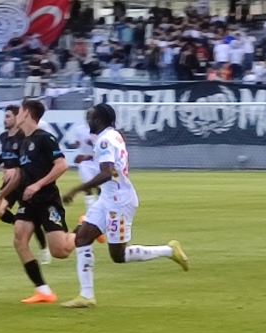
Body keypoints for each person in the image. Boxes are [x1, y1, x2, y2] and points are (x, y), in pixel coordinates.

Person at [60, 103, 189, 308]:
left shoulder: (104, 140)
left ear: (99, 120)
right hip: (108, 198)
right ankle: (86, 296)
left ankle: (169, 250)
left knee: (118, 255)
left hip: (119, 202)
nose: (88, 120)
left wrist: (76, 189)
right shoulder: (114, 135)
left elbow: (106, 173)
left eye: (91, 117)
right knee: (83, 238)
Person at [6, 98, 76, 304]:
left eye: (18, 112)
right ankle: (43, 290)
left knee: (60, 251)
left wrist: (38, 185)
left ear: (26, 113)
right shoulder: (22, 142)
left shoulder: (45, 138)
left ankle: (86, 227)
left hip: (47, 201)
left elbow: (62, 165)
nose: (16, 115)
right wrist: (3, 199)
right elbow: (20, 175)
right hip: (28, 202)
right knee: (19, 238)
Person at [0, 105, 50, 264]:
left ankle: (44, 249)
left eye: (8, 116)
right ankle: (23, 223)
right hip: (10, 182)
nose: (5, 119)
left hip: (24, 180)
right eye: (4, 116)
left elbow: (29, 159)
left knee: (31, 215)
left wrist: (16, 169)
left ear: (16, 117)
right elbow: (3, 155)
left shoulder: (24, 136)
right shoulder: (4, 137)